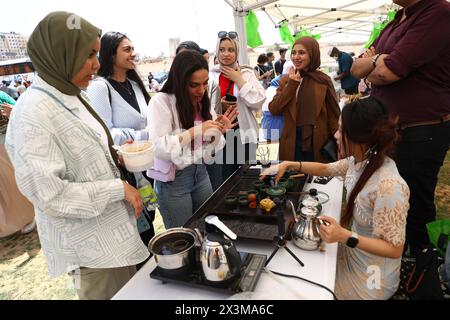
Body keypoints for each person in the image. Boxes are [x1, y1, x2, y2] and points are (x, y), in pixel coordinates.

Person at [5, 12, 149, 300]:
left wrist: (115, 155)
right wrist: (116, 188)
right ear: (60, 53)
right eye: (88, 55)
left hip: (115, 238)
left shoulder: (70, 94)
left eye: (96, 53)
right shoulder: (33, 112)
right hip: (91, 252)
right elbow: (48, 192)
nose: (97, 64)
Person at [261, 97, 410, 299]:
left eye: (342, 131)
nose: (336, 136)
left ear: (361, 137)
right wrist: (289, 164)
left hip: (372, 278)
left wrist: (344, 236)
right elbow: (325, 168)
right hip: (354, 254)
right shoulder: (359, 161)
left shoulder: (389, 187)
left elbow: (394, 249)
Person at [351, 0, 450, 254]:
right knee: (391, 200)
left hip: (420, 132)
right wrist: (377, 61)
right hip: (393, 130)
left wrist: (375, 63)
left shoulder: (437, 12)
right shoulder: (397, 19)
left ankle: (423, 269)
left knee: (414, 203)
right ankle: (396, 259)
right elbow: (356, 67)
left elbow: (388, 73)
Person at [147, 50, 237, 229]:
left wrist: (219, 130)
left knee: (205, 229)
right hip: (175, 182)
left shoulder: (201, 101)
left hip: (201, 172)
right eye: (194, 85)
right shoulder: (161, 101)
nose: (201, 90)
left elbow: (209, 148)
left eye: (205, 84)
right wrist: (197, 130)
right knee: (184, 239)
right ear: (180, 81)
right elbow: (159, 148)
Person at [86, 31, 155, 249]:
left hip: (145, 166)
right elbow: (104, 132)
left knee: (149, 223)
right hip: (125, 172)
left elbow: (148, 121)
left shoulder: (135, 85)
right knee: (137, 231)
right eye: (127, 49)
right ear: (111, 54)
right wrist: (144, 136)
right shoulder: (100, 87)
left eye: (133, 49)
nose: (133, 53)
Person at [269, 37, 340, 162]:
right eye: (294, 53)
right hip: (292, 141)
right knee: (293, 178)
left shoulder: (323, 80)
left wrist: (339, 139)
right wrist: (291, 85)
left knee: (314, 179)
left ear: (312, 54)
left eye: (302, 53)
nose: (296, 57)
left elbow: (333, 114)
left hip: (318, 141)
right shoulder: (287, 80)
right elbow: (274, 109)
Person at [210, 31, 266, 181]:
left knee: (246, 178)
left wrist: (239, 80)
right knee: (225, 179)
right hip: (221, 134)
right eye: (222, 50)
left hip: (244, 133)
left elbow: (258, 101)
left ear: (237, 52)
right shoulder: (211, 75)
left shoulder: (246, 73)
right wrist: (219, 104)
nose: (226, 54)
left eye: (231, 50)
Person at [1, 93, 35, 237]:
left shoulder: (1, 95)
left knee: (15, 182)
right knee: (6, 188)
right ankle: (12, 221)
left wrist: (11, 112)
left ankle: (28, 217)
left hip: (9, 142)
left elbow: (20, 111)